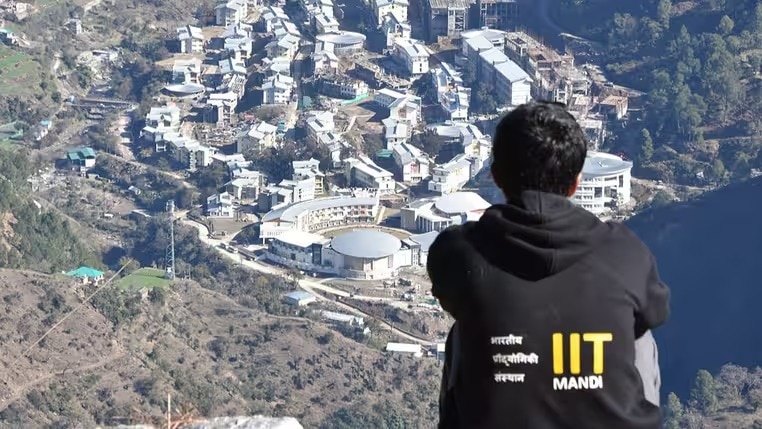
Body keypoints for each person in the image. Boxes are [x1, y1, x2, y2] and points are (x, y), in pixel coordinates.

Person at [428, 100, 670, 429]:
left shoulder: (460, 253)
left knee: (464, 329)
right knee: (638, 332)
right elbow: (656, 311)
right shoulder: (625, 253)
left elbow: (448, 293)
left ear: (496, 176)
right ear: (576, 182)